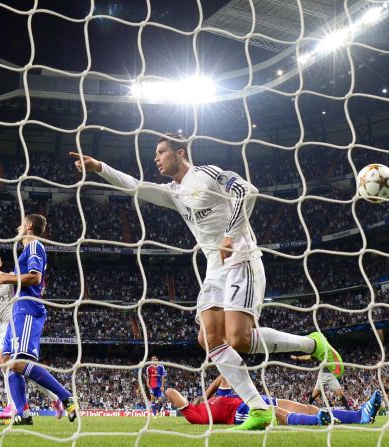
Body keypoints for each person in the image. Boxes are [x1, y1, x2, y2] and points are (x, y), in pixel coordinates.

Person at [70, 135, 343, 430]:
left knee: (239, 338)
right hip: (215, 268)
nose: (156, 158)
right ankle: (258, 409)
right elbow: (137, 186)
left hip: (241, 257)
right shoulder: (174, 193)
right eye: (156, 153)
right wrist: (99, 167)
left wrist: (230, 234)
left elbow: (246, 191)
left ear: (180, 153)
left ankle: (314, 344)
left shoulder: (207, 174)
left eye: (161, 152)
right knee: (209, 339)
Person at [0, 214, 76, 426]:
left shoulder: (34, 246)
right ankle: (23, 413)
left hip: (28, 308)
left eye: (20, 222)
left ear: (29, 226)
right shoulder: (25, 251)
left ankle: (66, 397)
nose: (17, 226)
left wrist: (7, 277)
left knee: (20, 362)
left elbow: (35, 277)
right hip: (17, 309)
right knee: (5, 361)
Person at [0, 251, 65, 420]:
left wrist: (39, 283)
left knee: (5, 362)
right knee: (21, 368)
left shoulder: (8, 278)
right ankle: (55, 398)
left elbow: (27, 280)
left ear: (0, 263)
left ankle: (12, 406)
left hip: (13, 323)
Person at [165, 376, 381, 426]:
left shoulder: (215, 399)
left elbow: (223, 377)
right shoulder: (197, 415)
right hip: (241, 413)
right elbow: (170, 392)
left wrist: (206, 395)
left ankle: (360, 415)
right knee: (277, 412)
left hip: (254, 397)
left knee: (308, 407)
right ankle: (316, 422)